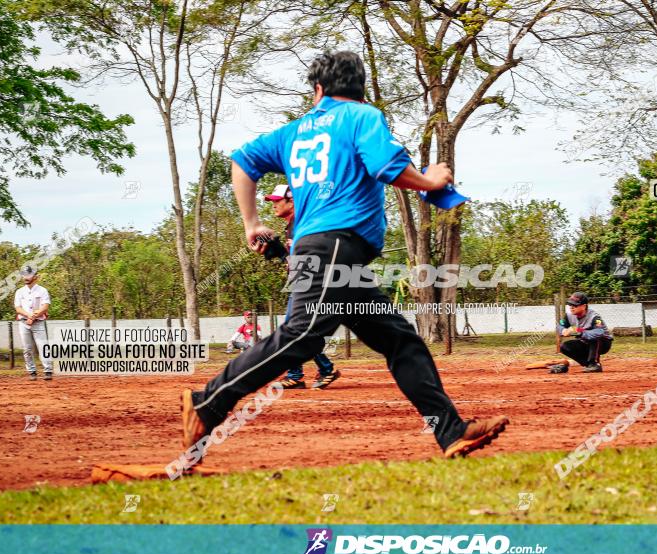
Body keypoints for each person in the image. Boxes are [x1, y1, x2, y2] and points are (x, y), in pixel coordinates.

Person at [182, 51, 508, 461]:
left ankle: (451, 432)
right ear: (360, 87)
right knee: (303, 335)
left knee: (400, 341)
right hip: (334, 245)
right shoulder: (362, 117)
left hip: (335, 251)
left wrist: (251, 223)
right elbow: (388, 167)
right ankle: (208, 402)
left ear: (319, 89)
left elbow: (241, 162)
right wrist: (431, 179)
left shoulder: (294, 132)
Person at [266, 186, 341, 390]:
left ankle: (303, 373)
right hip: (302, 279)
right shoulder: (291, 226)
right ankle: (314, 371)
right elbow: (293, 259)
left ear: (291, 201)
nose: (273, 204)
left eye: (277, 200)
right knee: (298, 329)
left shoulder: (303, 222)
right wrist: (278, 250)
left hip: (311, 281)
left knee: (294, 328)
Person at [556, 292, 613, 373]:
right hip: (585, 342)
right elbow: (559, 326)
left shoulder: (594, 317)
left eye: (575, 305)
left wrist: (579, 331)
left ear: (584, 306)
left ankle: (594, 364)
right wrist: (563, 330)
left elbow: (599, 332)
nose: (571, 307)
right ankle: (588, 364)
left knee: (593, 337)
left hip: (603, 343)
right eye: (570, 305)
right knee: (564, 347)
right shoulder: (569, 315)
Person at [13, 266, 53, 380]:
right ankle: (32, 371)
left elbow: (45, 307)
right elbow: (18, 308)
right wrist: (28, 315)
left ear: (35, 277)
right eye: (24, 275)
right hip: (23, 322)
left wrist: (34, 316)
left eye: (28, 275)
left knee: (43, 346)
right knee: (27, 348)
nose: (26, 277)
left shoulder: (42, 290)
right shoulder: (19, 292)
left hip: (38, 322)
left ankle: (48, 370)